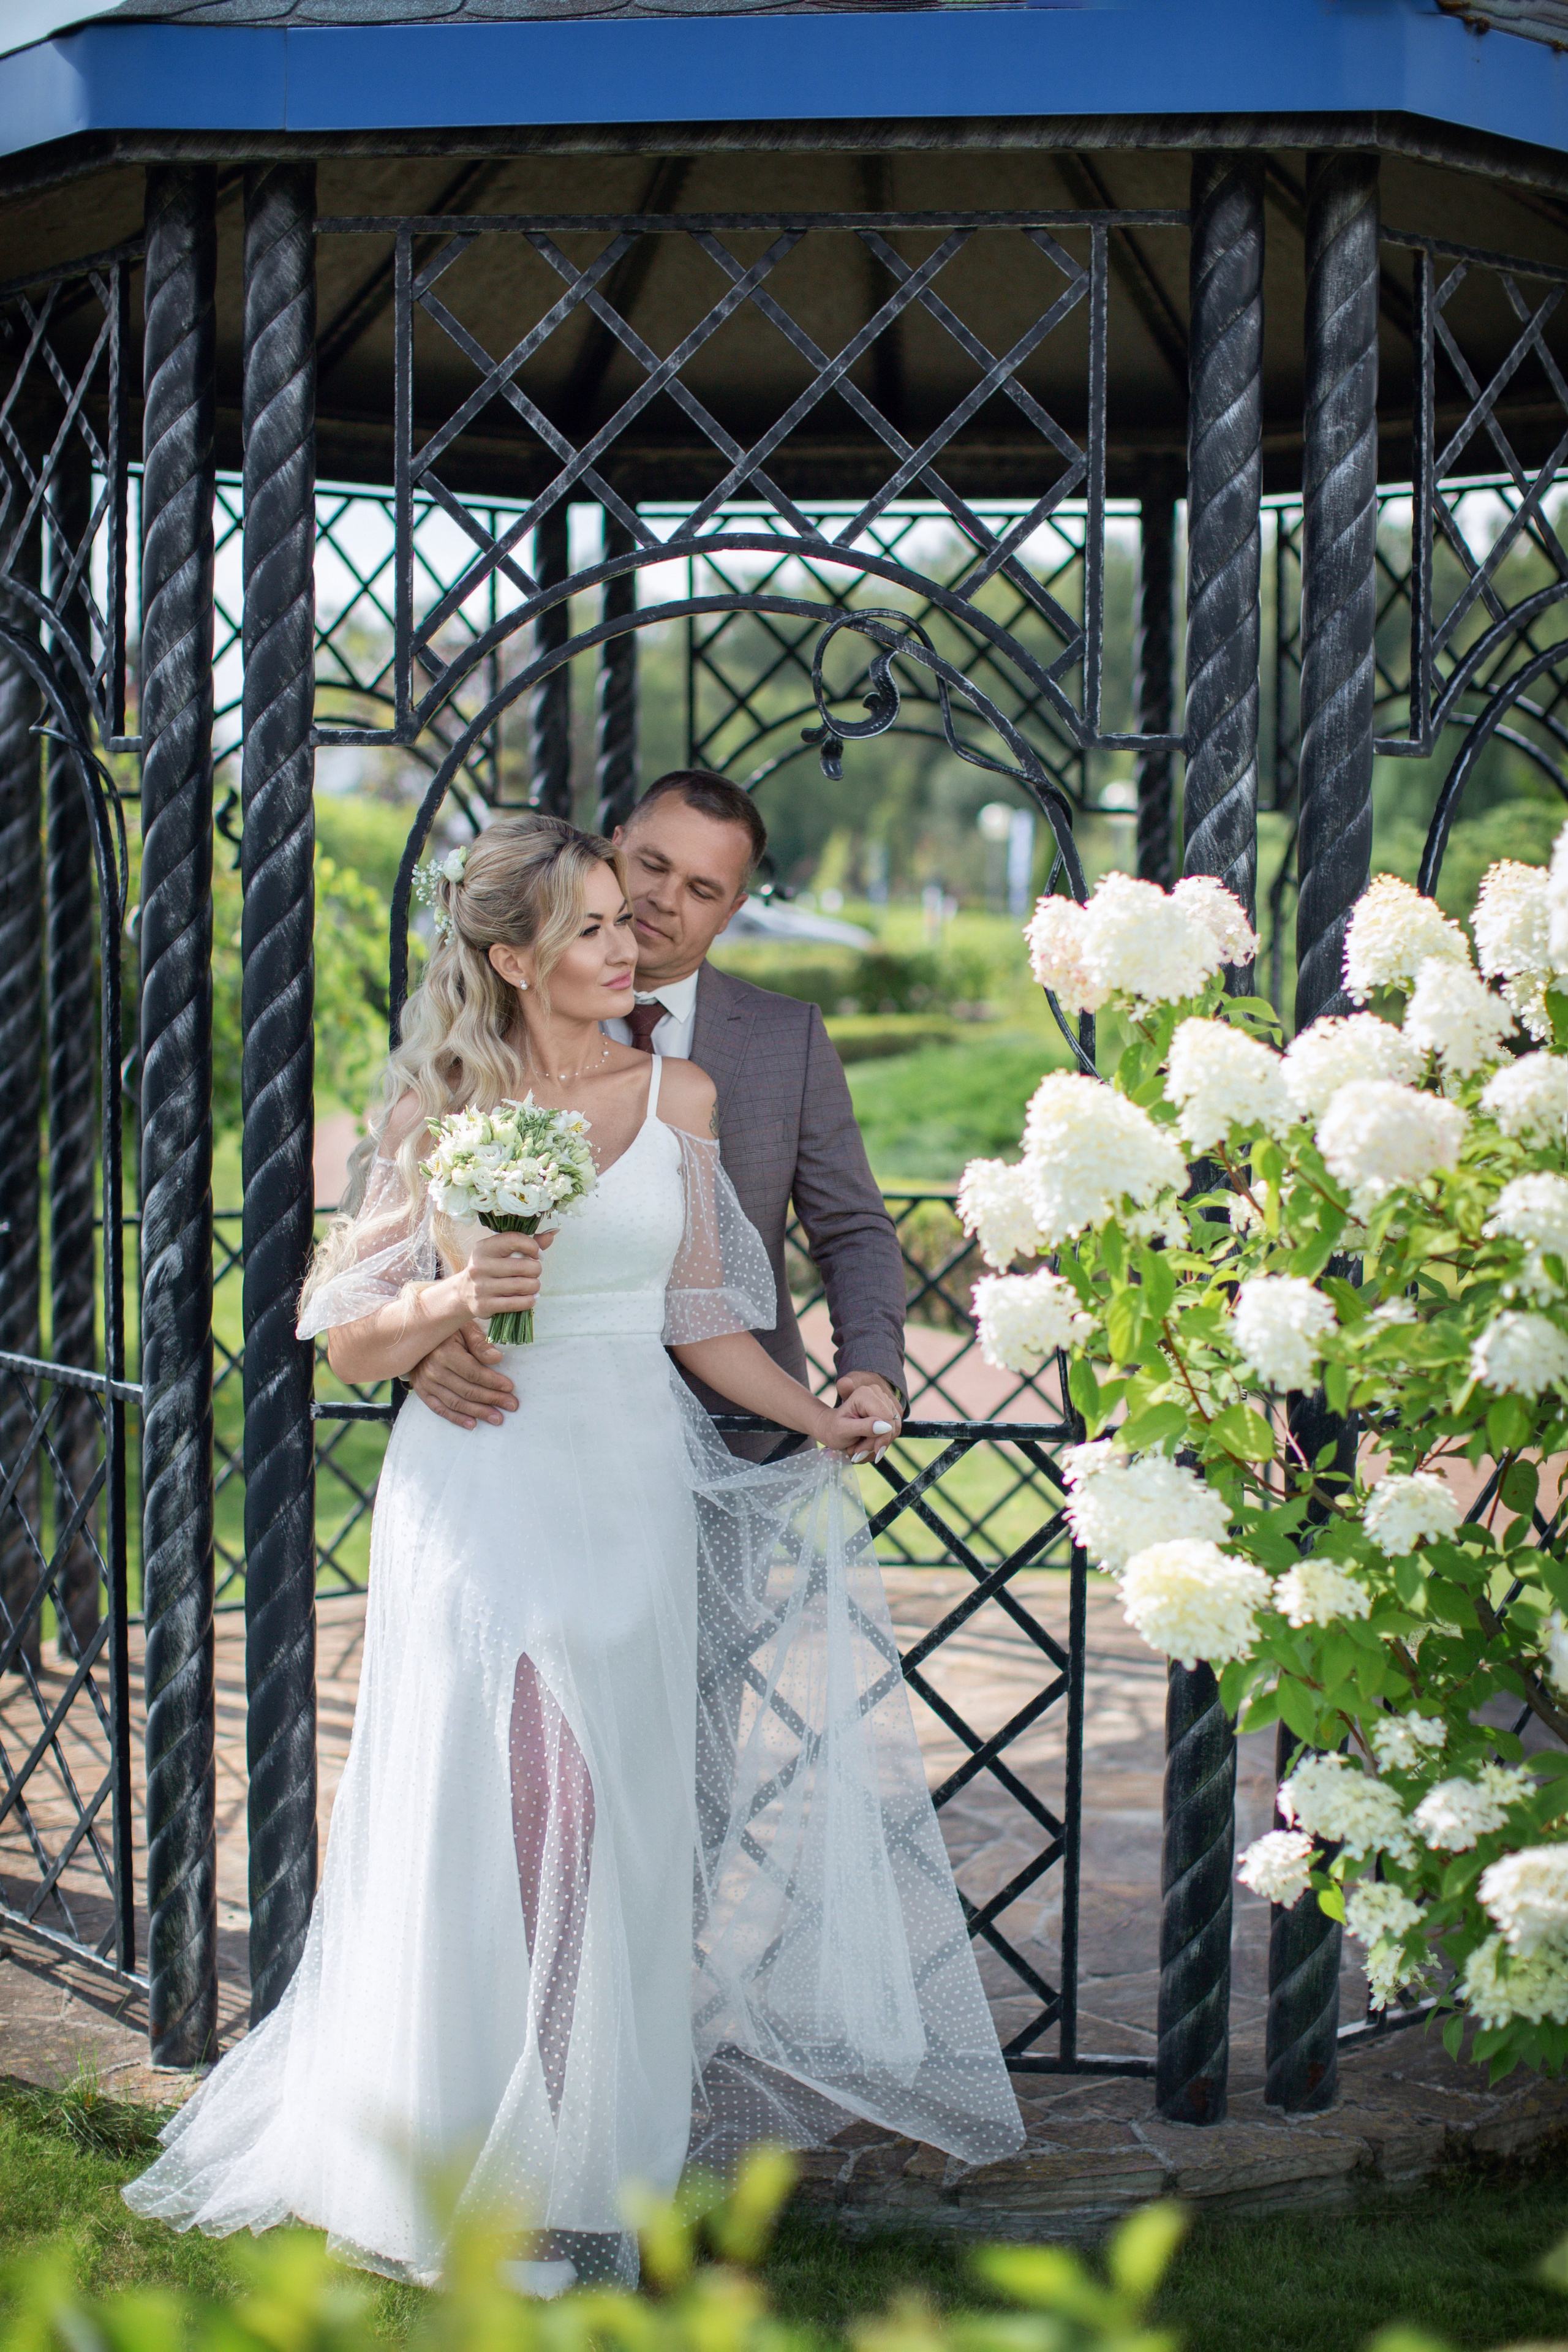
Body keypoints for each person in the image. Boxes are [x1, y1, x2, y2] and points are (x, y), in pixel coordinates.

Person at [123, 813, 1022, 2291]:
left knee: (605, 1819)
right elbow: (337, 1328)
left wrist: (820, 1414)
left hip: (629, 1483)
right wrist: (448, 1303)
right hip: (483, 1485)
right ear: (511, 955)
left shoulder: (681, 1093)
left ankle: (576, 2148)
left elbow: (700, 1315)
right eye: (597, 926)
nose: (632, 943)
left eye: (631, 917)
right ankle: (483, 2158)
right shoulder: (435, 1099)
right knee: (524, 1804)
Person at [406, 772, 907, 1463]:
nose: (661, 901)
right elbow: (388, 1244)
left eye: (701, 890)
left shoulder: (784, 1039)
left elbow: (852, 1228)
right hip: (507, 1414)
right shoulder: (469, 1047)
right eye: (651, 865)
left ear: (731, 910)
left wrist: (871, 1372)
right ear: (613, 848)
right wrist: (419, 1346)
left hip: (739, 1426)